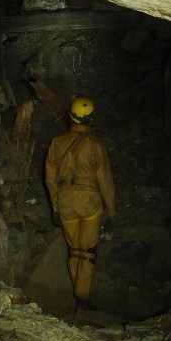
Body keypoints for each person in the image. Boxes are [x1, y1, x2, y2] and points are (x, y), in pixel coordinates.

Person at [45, 96, 116, 314]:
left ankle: (78, 295)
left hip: (66, 201)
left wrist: (55, 206)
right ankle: (83, 299)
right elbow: (105, 182)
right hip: (89, 201)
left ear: (70, 116)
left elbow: (50, 179)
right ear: (90, 119)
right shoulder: (95, 144)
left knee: (74, 250)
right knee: (87, 251)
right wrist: (111, 212)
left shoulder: (57, 142)